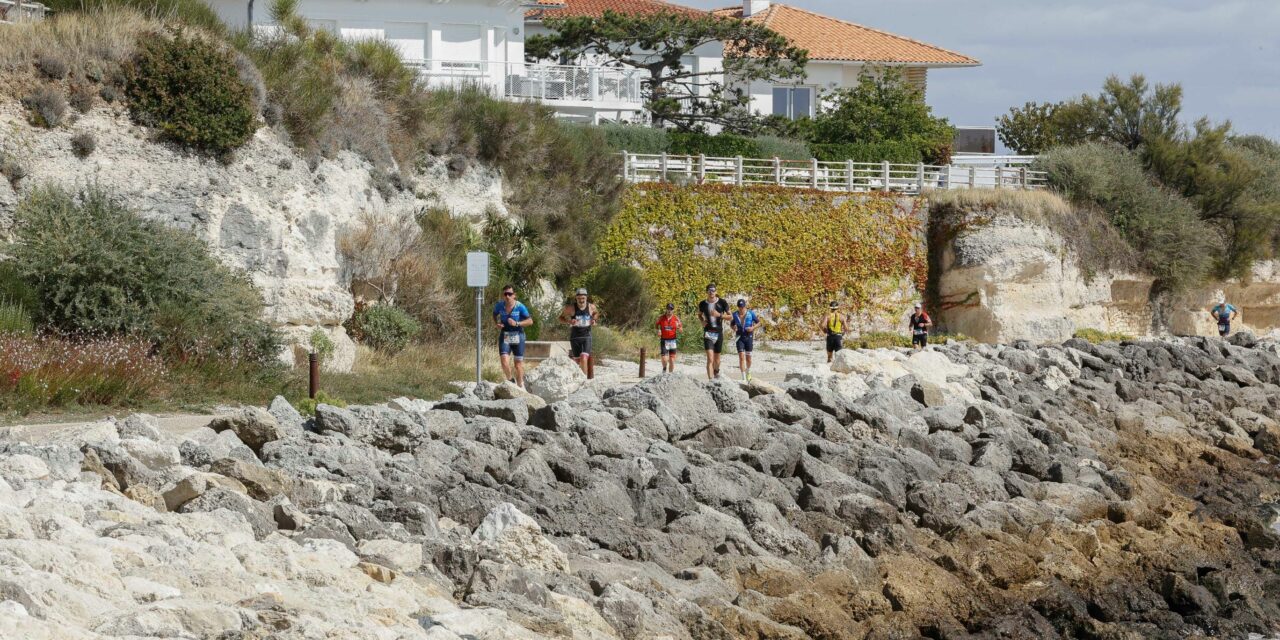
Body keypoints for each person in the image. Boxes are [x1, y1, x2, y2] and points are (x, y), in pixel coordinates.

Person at [492, 284, 533, 387]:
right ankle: (511, 381)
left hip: (518, 334)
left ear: (514, 295)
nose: (507, 296)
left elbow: (530, 321)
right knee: (504, 360)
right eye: (505, 294)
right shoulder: (499, 305)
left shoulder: (520, 306)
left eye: (510, 294)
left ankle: (520, 385)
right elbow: (494, 314)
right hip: (505, 334)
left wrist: (517, 323)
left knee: (518, 364)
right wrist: (497, 323)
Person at [559, 288, 597, 375]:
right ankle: (579, 379)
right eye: (579, 298)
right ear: (576, 298)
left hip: (586, 336)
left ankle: (584, 382)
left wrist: (594, 320)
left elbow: (595, 313)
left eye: (583, 298)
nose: (581, 300)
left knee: (584, 358)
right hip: (575, 337)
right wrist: (569, 321)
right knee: (577, 361)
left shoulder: (591, 307)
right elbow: (560, 318)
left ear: (586, 298)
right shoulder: (571, 308)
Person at [698, 283, 729, 379]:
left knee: (717, 360)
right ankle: (711, 381)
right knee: (710, 358)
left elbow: (730, 316)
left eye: (713, 290)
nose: (712, 292)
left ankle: (716, 371)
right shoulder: (702, 304)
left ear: (716, 291)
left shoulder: (722, 302)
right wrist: (702, 321)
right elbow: (699, 314)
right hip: (708, 333)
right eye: (710, 290)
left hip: (718, 333)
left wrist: (719, 315)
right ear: (707, 292)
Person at [731, 298, 759, 382]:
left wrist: (753, 328)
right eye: (739, 307)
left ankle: (748, 371)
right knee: (741, 357)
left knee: (748, 358)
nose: (741, 308)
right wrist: (733, 328)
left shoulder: (750, 313)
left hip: (748, 337)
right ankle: (743, 378)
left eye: (742, 307)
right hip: (739, 337)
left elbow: (759, 322)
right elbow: (732, 324)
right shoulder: (735, 314)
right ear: (738, 307)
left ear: (745, 306)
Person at [656, 303, 683, 373]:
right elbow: (656, 325)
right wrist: (658, 330)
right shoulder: (661, 318)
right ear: (666, 309)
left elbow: (681, 330)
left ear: (673, 310)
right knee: (664, 358)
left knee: (672, 360)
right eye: (668, 309)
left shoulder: (676, 318)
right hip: (664, 340)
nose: (669, 310)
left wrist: (679, 327)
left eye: (671, 309)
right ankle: (664, 368)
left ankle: (670, 375)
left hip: (673, 341)